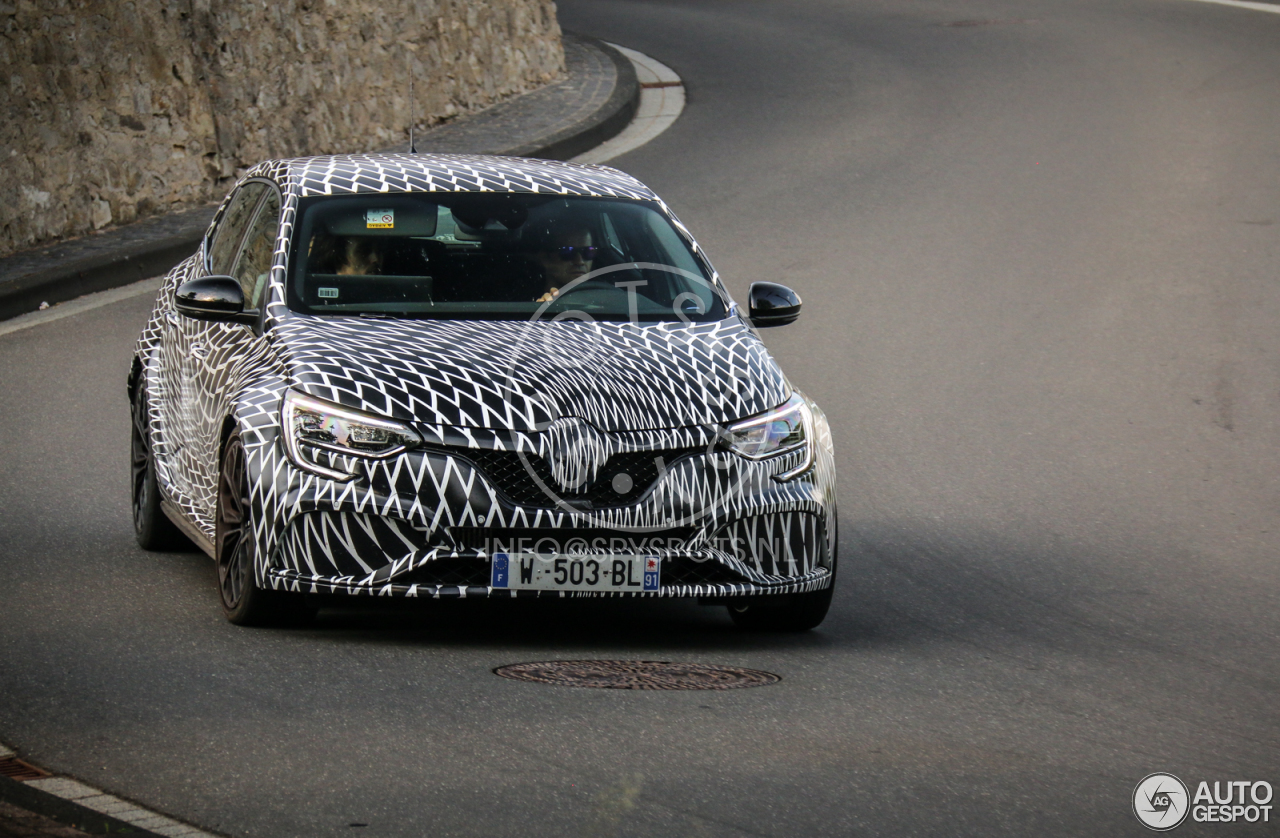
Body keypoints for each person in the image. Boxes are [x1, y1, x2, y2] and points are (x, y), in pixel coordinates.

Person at [529, 224, 597, 302]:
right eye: (567, 252)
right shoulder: (521, 303)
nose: (580, 261)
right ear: (544, 258)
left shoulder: (604, 297)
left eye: (588, 252)